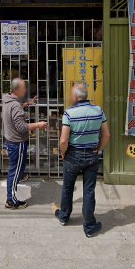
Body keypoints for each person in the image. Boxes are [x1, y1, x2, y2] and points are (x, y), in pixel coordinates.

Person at [53, 83, 110, 238]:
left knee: (67, 188)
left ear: (76, 97)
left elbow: (64, 140)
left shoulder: (69, 113)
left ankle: (64, 217)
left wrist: (63, 154)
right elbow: (107, 135)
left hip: (73, 155)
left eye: (72, 94)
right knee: (89, 190)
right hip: (92, 155)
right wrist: (98, 149)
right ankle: (90, 226)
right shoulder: (98, 111)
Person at [1, 77, 47, 209]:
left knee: (16, 168)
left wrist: (28, 103)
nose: (26, 90)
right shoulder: (15, 105)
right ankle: (11, 201)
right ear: (17, 90)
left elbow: (16, 108)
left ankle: (18, 178)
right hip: (17, 142)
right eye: (24, 88)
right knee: (14, 171)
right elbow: (21, 127)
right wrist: (39, 124)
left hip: (11, 140)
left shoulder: (8, 99)